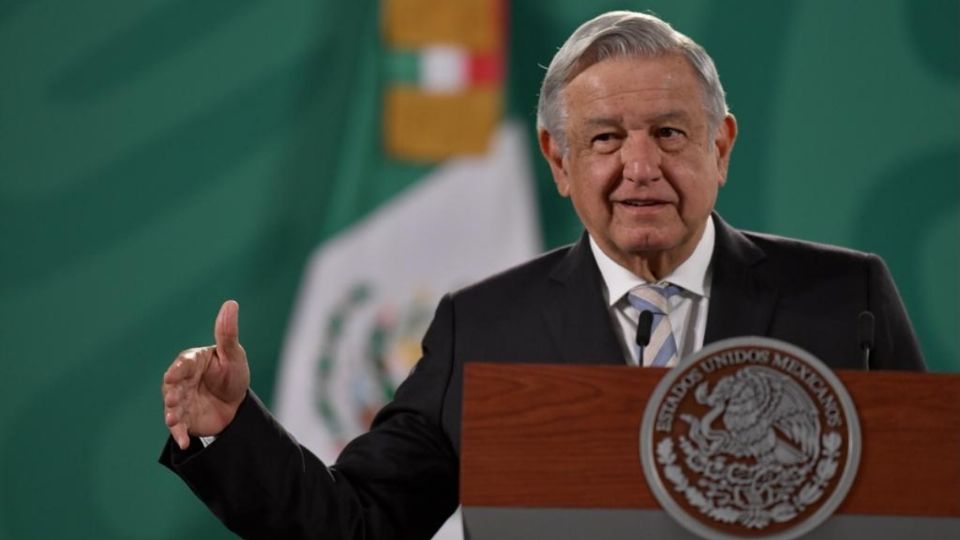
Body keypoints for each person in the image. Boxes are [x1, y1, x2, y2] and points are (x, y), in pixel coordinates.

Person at [160, 10, 925, 539]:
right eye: (604, 139)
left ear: (720, 147)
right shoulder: (483, 328)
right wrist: (232, 430)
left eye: (669, 133)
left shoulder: (844, 299)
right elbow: (358, 527)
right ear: (559, 161)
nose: (640, 167)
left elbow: (924, 513)